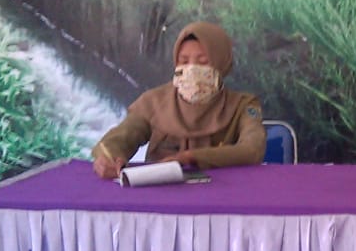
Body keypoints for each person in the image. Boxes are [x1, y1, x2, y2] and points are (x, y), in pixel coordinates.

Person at [92, 21, 265, 178]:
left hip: (224, 192)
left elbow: (253, 149)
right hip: (162, 191)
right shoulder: (154, 102)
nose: (192, 69)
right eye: (184, 61)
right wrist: (109, 159)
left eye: (203, 62)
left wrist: (191, 158)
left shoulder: (242, 105)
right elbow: (119, 139)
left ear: (222, 64)